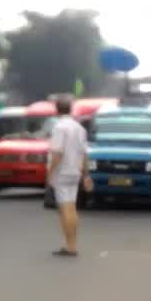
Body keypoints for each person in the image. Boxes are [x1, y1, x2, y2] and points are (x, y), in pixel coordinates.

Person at [46, 95, 91, 257]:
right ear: (70, 109)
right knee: (71, 208)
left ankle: (70, 246)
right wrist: (86, 175)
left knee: (65, 209)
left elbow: (57, 153)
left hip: (62, 172)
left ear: (57, 110)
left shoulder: (59, 128)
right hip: (75, 171)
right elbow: (84, 154)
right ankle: (72, 244)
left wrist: (50, 174)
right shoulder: (80, 128)